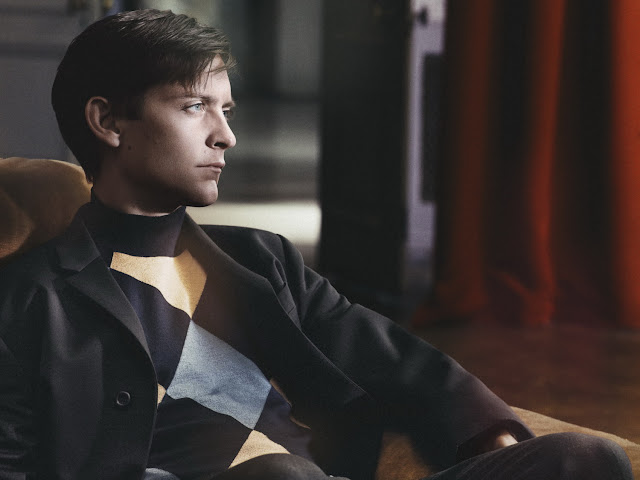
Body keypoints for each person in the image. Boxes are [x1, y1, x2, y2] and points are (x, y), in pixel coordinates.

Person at [0, 8, 633, 480]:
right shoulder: (29, 298)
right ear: (108, 121)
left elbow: (393, 357)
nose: (226, 137)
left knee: (587, 458)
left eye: (227, 111)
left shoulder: (260, 258)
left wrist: (489, 434)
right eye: (194, 106)